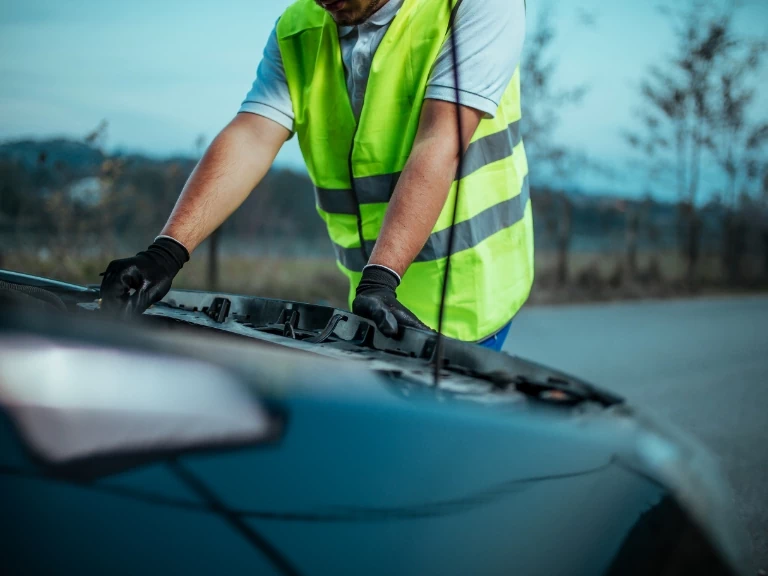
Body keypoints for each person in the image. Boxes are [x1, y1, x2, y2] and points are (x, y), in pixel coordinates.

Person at [100, 0, 531, 352]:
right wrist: (165, 253)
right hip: (371, 299)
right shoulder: (299, 26)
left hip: (467, 295)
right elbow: (252, 135)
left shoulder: (474, 6)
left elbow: (439, 141)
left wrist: (382, 276)